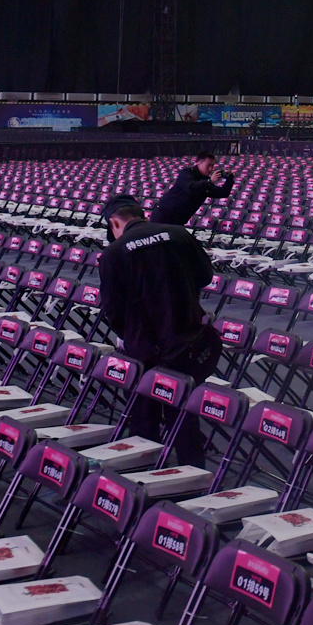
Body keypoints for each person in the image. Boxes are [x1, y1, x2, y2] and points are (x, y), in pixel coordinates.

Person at [97, 194, 221, 466]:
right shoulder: (178, 234)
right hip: (187, 336)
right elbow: (205, 276)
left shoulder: (113, 254)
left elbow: (113, 309)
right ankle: (193, 473)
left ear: (114, 222)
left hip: (144, 346)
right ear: (141, 214)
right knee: (184, 413)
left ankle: (145, 472)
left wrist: (131, 335)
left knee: (144, 415)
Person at [150, 151, 236, 226]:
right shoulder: (186, 173)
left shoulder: (205, 181)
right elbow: (191, 188)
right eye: (208, 165)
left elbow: (223, 193)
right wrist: (209, 181)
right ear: (198, 163)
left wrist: (229, 180)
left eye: (212, 166)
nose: (211, 169)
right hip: (164, 216)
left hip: (178, 220)